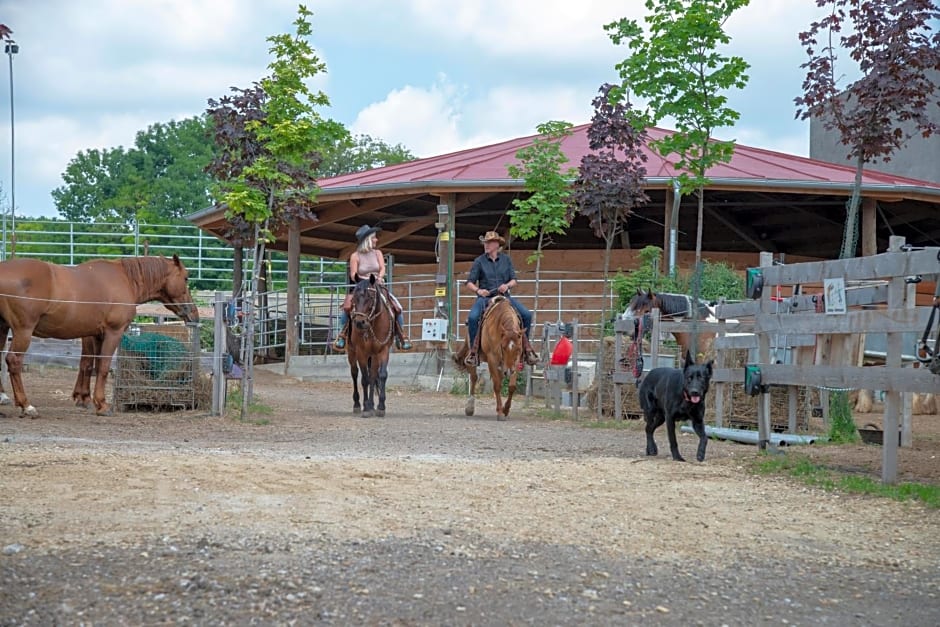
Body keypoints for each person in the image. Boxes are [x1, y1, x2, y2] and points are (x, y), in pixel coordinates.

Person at [463, 230, 538, 367]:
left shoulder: (506, 260)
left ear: (497, 244)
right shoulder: (479, 261)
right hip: (485, 298)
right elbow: (469, 282)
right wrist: (479, 290)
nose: (486, 245)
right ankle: (474, 352)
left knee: (526, 315)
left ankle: (525, 348)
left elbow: (514, 280)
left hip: (504, 297)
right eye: (485, 243)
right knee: (473, 318)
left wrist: (507, 285)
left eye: (489, 243)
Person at [332, 225, 412, 352]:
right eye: (374, 238)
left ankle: (400, 335)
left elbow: (382, 268)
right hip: (361, 286)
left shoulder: (377, 253)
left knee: (397, 307)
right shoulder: (355, 256)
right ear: (367, 240)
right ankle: (342, 335)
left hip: (377, 285)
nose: (376, 240)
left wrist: (379, 277)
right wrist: (365, 280)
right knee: (347, 307)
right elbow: (353, 274)